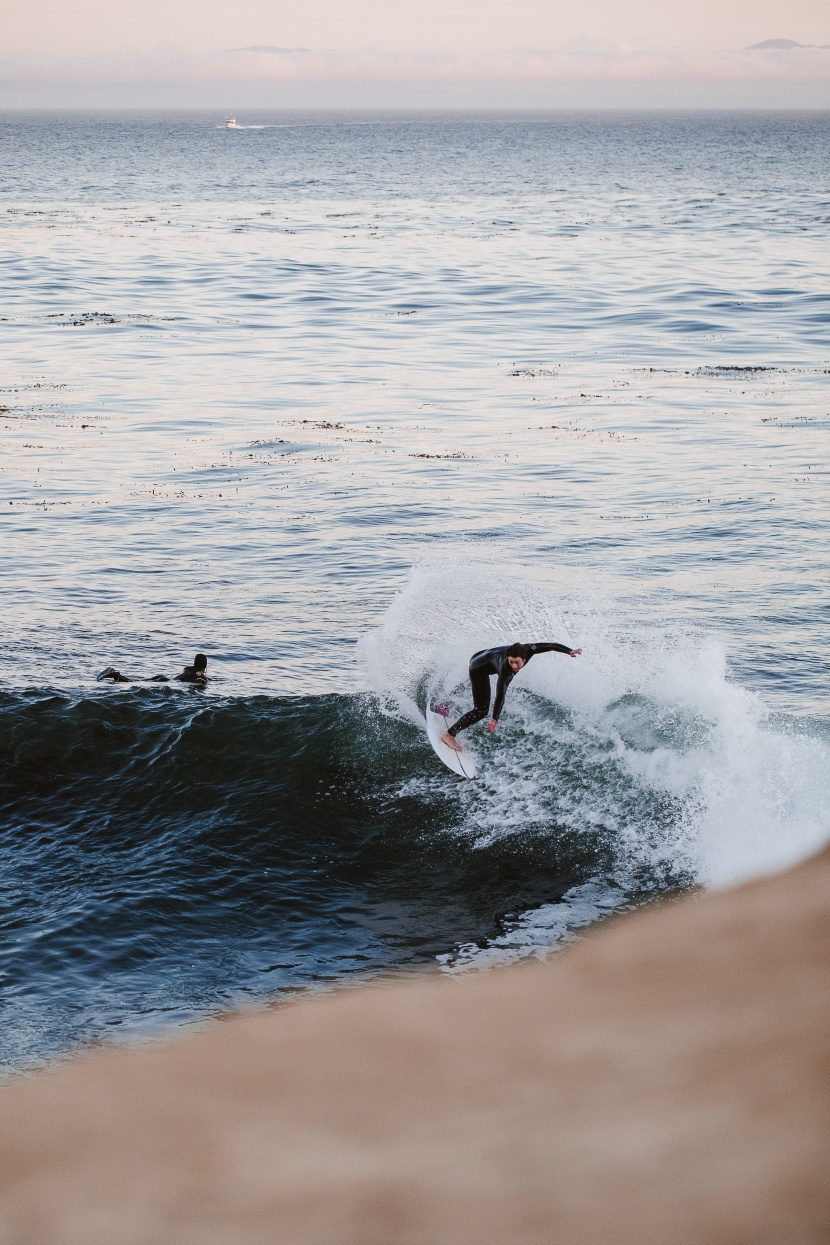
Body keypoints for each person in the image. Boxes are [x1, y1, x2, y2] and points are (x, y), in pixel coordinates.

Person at [440, 641, 581, 752]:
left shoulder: (529, 649)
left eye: (516, 662)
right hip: (478, 668)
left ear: (524, 659)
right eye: (511, 661)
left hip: (480, 656)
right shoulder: (505, 670)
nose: (514, 665)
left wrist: (569, 651)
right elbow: (501, 694)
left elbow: (550, 645)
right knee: (481, 710)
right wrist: (495, 718)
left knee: (479, 684)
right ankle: (449, 734)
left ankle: (449, 699)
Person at [96, 653, 208, 685]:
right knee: (136, 683)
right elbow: (202, 680)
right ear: (205, 666)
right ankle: (116, 675)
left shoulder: (188, 669)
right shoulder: (201, 677)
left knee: (138, 681)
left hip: (164, 678)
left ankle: (117, 675)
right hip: (168, 682)